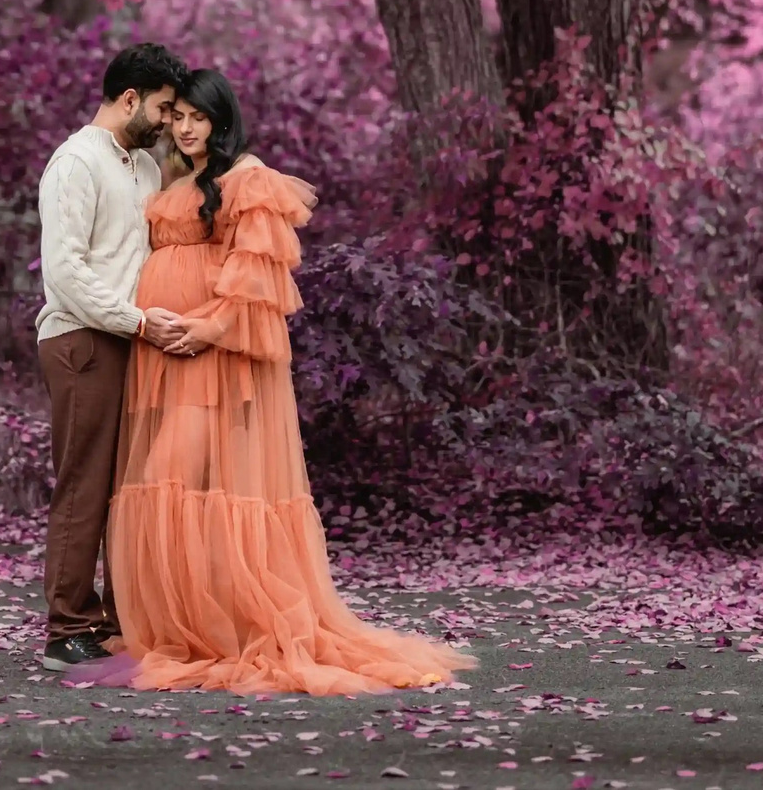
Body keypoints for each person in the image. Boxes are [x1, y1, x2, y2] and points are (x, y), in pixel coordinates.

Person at [80, 68, 473, 694]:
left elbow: (257, 276)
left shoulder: (248, 177)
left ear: (222, 119)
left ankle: (227, 626)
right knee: (165, 479)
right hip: (163, 352)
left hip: (212, 352)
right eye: (177, 115)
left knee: (183, 476)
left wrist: (207, 329)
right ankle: (184, 624)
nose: (184, 128)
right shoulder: (173, 175)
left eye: (197, 118)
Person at [34, 42, 193, 671]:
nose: (167, 123)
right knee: (85, 486)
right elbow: (65, 272)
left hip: (132, 341)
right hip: (81, 339)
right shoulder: (74, 162)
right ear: (130, 99)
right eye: (161, 108)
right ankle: (65, 628)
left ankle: (112, 622)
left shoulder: (147, 169)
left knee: (129, 491)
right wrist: (140, 322)